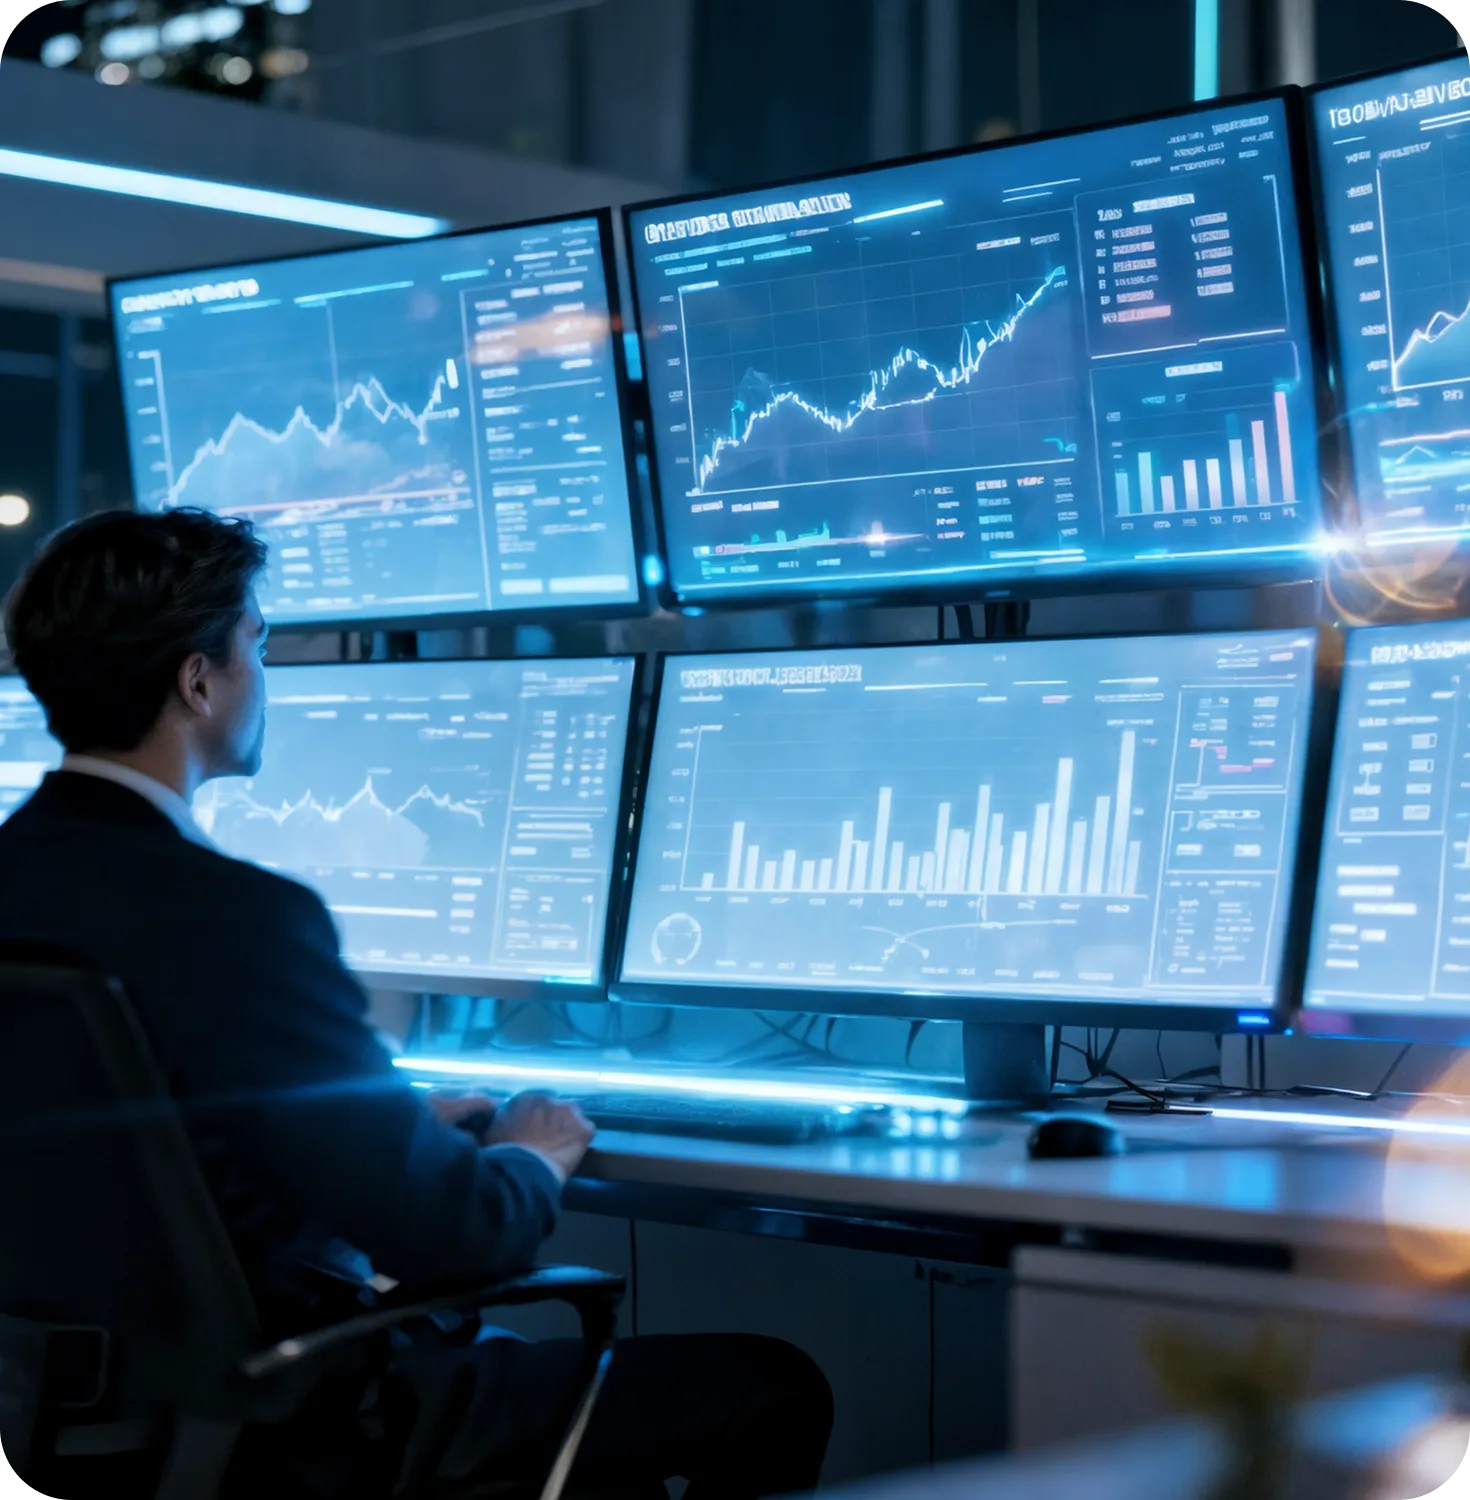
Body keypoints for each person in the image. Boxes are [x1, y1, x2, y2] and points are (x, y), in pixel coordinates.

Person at [0, 508, 832, 1499]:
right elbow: (453, 1232)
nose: (265, 678)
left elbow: (133, 1147)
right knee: (774, 1387)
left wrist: (385, 1122)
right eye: (258, 646)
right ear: (199, 680)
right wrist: (530, 1152)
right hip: (288, 1424)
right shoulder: (239, 918)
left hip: (59, 1419)